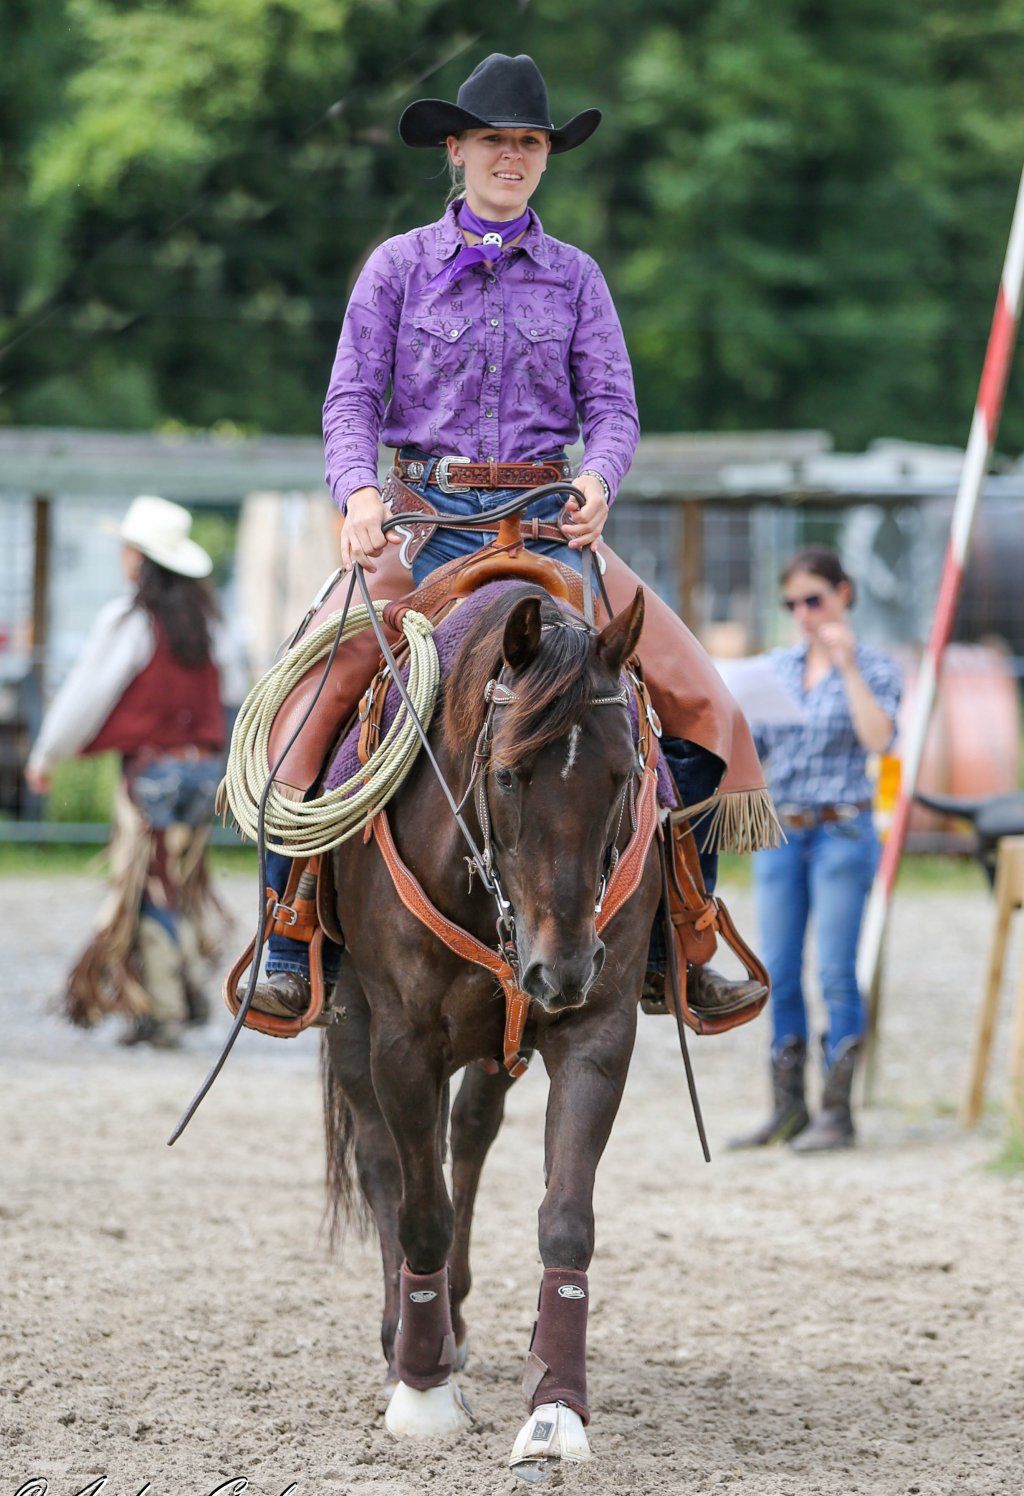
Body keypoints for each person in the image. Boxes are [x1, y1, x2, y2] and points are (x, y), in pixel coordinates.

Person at [244, 53, 771, 1028]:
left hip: (549, 531)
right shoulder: (396, 267)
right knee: (310, 705)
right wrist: (358, 491)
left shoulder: (576, 278)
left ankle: (676, 939)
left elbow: (611, 406)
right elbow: (351, 398)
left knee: (704, 707)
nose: (511, 157)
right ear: (456, 149)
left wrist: (597, 480)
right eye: (494, 140)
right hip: (423, 530)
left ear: (543, 159)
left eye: (528, 143)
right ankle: (289, 931)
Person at [26, 496, 242, 1047]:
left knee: (150, 889)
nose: (123, 557)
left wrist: (47, 754)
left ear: (143, 559)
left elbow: (86, 695)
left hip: (153, 773)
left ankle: (167, 1008)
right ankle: (185, 990)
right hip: (203, 773)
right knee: (181, 883)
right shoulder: (210, 622)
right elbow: (236, 689)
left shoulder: (130, 619)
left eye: (129, 548)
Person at [729, 547, 902, 1153]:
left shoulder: (876, 667)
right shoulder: (775, 668)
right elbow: (753, 746)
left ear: (843, 595)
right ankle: (787, 1108)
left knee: (834, 970)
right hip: (781, 830)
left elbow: (880, 739)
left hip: (843, 832)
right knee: (776, 969)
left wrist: (848, 666)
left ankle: (837, 1112)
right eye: (793, 603)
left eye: (814, 600)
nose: (803, 613)